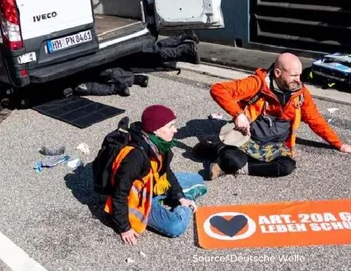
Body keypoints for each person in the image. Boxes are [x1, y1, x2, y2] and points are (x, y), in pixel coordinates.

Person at [198, 52, 351, 179]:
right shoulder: (257, 84)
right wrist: (238, 114)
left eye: (299, 75)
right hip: (248, 140)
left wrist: (339, 144)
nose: (298, 80)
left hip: (276, 146)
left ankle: (233, 167)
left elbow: (315, 119)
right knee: (233, 159)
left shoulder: (300, 93)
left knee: (287, 166)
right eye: (293, 76)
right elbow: (218, 89)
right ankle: (216, 149)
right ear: (278, 73)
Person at [103, 105, 207, 245]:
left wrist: (181, 198)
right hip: (140, 201)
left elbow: (166, 172)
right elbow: (119, 193)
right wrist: (124, 227)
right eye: (171, 126)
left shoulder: (159, 144)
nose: (175, 130)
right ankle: (182, 202)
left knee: (198, 179)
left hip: (154, 185)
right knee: (176, 226)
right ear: (156, 130)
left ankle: (181, 198)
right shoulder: (135, 157)